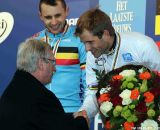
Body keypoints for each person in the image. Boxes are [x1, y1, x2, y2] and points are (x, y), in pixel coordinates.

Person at [74, 8, 160, 119]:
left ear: (105, 34)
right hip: (116, 120)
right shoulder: (92, 55)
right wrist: (83, 113)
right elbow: (93, 92)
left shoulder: (142, 45)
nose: (87, 48)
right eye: (84, 43)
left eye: (90, 42)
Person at [0, 39, 89, 130]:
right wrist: (82, 121)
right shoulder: (41, 97)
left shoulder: (16, 88)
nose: (54, 69)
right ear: (41, 64)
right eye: (53, 62)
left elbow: (46, 120)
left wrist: (73, 116)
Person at [32, 0, 86, 115]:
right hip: (39, 112)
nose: (54, 22)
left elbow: (89, 81)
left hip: (70, 111)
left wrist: (84, 111)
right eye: (48, 17)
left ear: (67, 11)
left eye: (58, 15)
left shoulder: (80, 39)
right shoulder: (34, 42)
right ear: (40, 16)